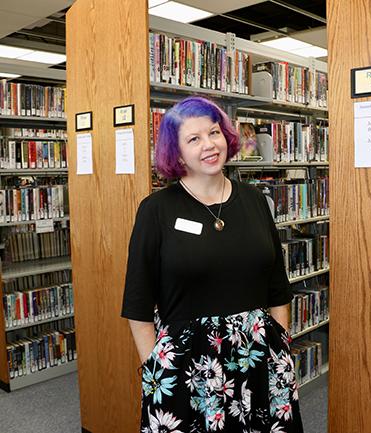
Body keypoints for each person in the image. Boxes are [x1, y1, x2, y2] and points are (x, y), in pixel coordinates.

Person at [121, 96, 303, 433]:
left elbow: (278, 285)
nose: (209, 145)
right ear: (175, 153)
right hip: (186, 366)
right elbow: (138, 302)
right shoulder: (156, 210)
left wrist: (279, 345)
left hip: (257, 357)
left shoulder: (254, 200)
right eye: (194, 139)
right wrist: (157, 368)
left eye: (214, 132)